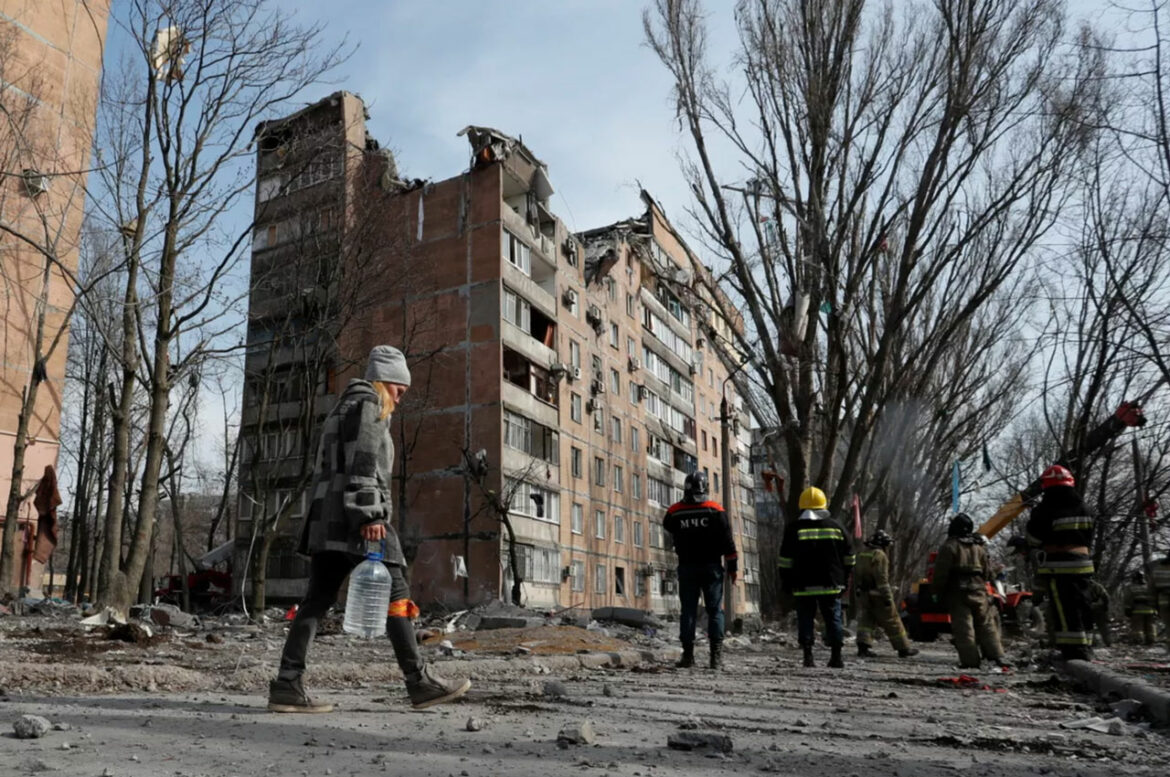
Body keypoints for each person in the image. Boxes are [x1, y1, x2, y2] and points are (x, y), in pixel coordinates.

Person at [268, 346, 470, 713]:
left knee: (315, 602)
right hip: (357, 522)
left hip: (326, 523)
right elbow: (362, 465)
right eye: (399, 390)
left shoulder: (340, 409)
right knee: (397, 596)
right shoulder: (370, 406)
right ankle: (418, 682)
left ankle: (287, 684)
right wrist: (369, 516)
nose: (399, 398)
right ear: (385, 381)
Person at [663, 471, 738, 670]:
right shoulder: (715, 510)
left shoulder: (675, 512)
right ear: (705, 488)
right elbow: (728, 542)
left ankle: (688, 656)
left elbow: (667, 525)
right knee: (715, 610)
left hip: (687, 568)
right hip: (712, 568)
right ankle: (716, 657)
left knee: (687, 611)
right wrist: (733, 567)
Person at [778, 487, 855, 668]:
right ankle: (836, 657)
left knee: (805, 618)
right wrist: (845, 579)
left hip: (802, 585)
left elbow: (784, 561)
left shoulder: (793, 529)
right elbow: (850, 557)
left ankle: (808, 657)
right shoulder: (837, 527)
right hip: (831, 584)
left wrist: (786, 583)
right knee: (833, 618)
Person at [1026, 464, 1096, 661]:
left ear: (1047, 487)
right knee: (1083, 604)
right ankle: (1086, 646)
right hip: (1083, 564)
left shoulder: (1046, 509)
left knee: (1064, 608)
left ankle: (1072, 651)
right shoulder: (1085, 508)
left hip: (1059, 566)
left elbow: (1035, 539)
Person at [932, 513, 1006, 669]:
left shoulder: (949, 546)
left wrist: (936, 593)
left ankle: (970, 662)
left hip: (958, 593)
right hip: (979, 591)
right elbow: (987, 573)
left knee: (964, 628)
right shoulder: (978, 547)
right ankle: (997, 656)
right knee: (987, 625)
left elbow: (940, 574)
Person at [855, 529, 919, 659]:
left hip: (864, 593)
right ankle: (904, 648)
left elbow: (856, 574)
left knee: (867, 620)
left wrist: (858, 590)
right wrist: (887, 597)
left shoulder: (862, 554)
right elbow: (881, 578)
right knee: (893, 620)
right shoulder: (880, 555)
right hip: (878, 594)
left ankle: (863, 648)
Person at [1122, 571, 1157, 646]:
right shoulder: (1149, 587)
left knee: (1137, 627)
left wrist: (1127, 609)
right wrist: (1155, 609)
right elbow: (1154, 597)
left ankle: (1138, 640)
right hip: (1150, 610)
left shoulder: (1131, 587)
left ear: (1134, 578)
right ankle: (1151, 640)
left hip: (1137, 610)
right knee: (1150, 626)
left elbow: (1127, 599)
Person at [1152, 556, 1170, 651]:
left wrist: (1154, 605)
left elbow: (1152, 590)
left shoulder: (1157, 570)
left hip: (1163, 600)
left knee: (1168, 626)